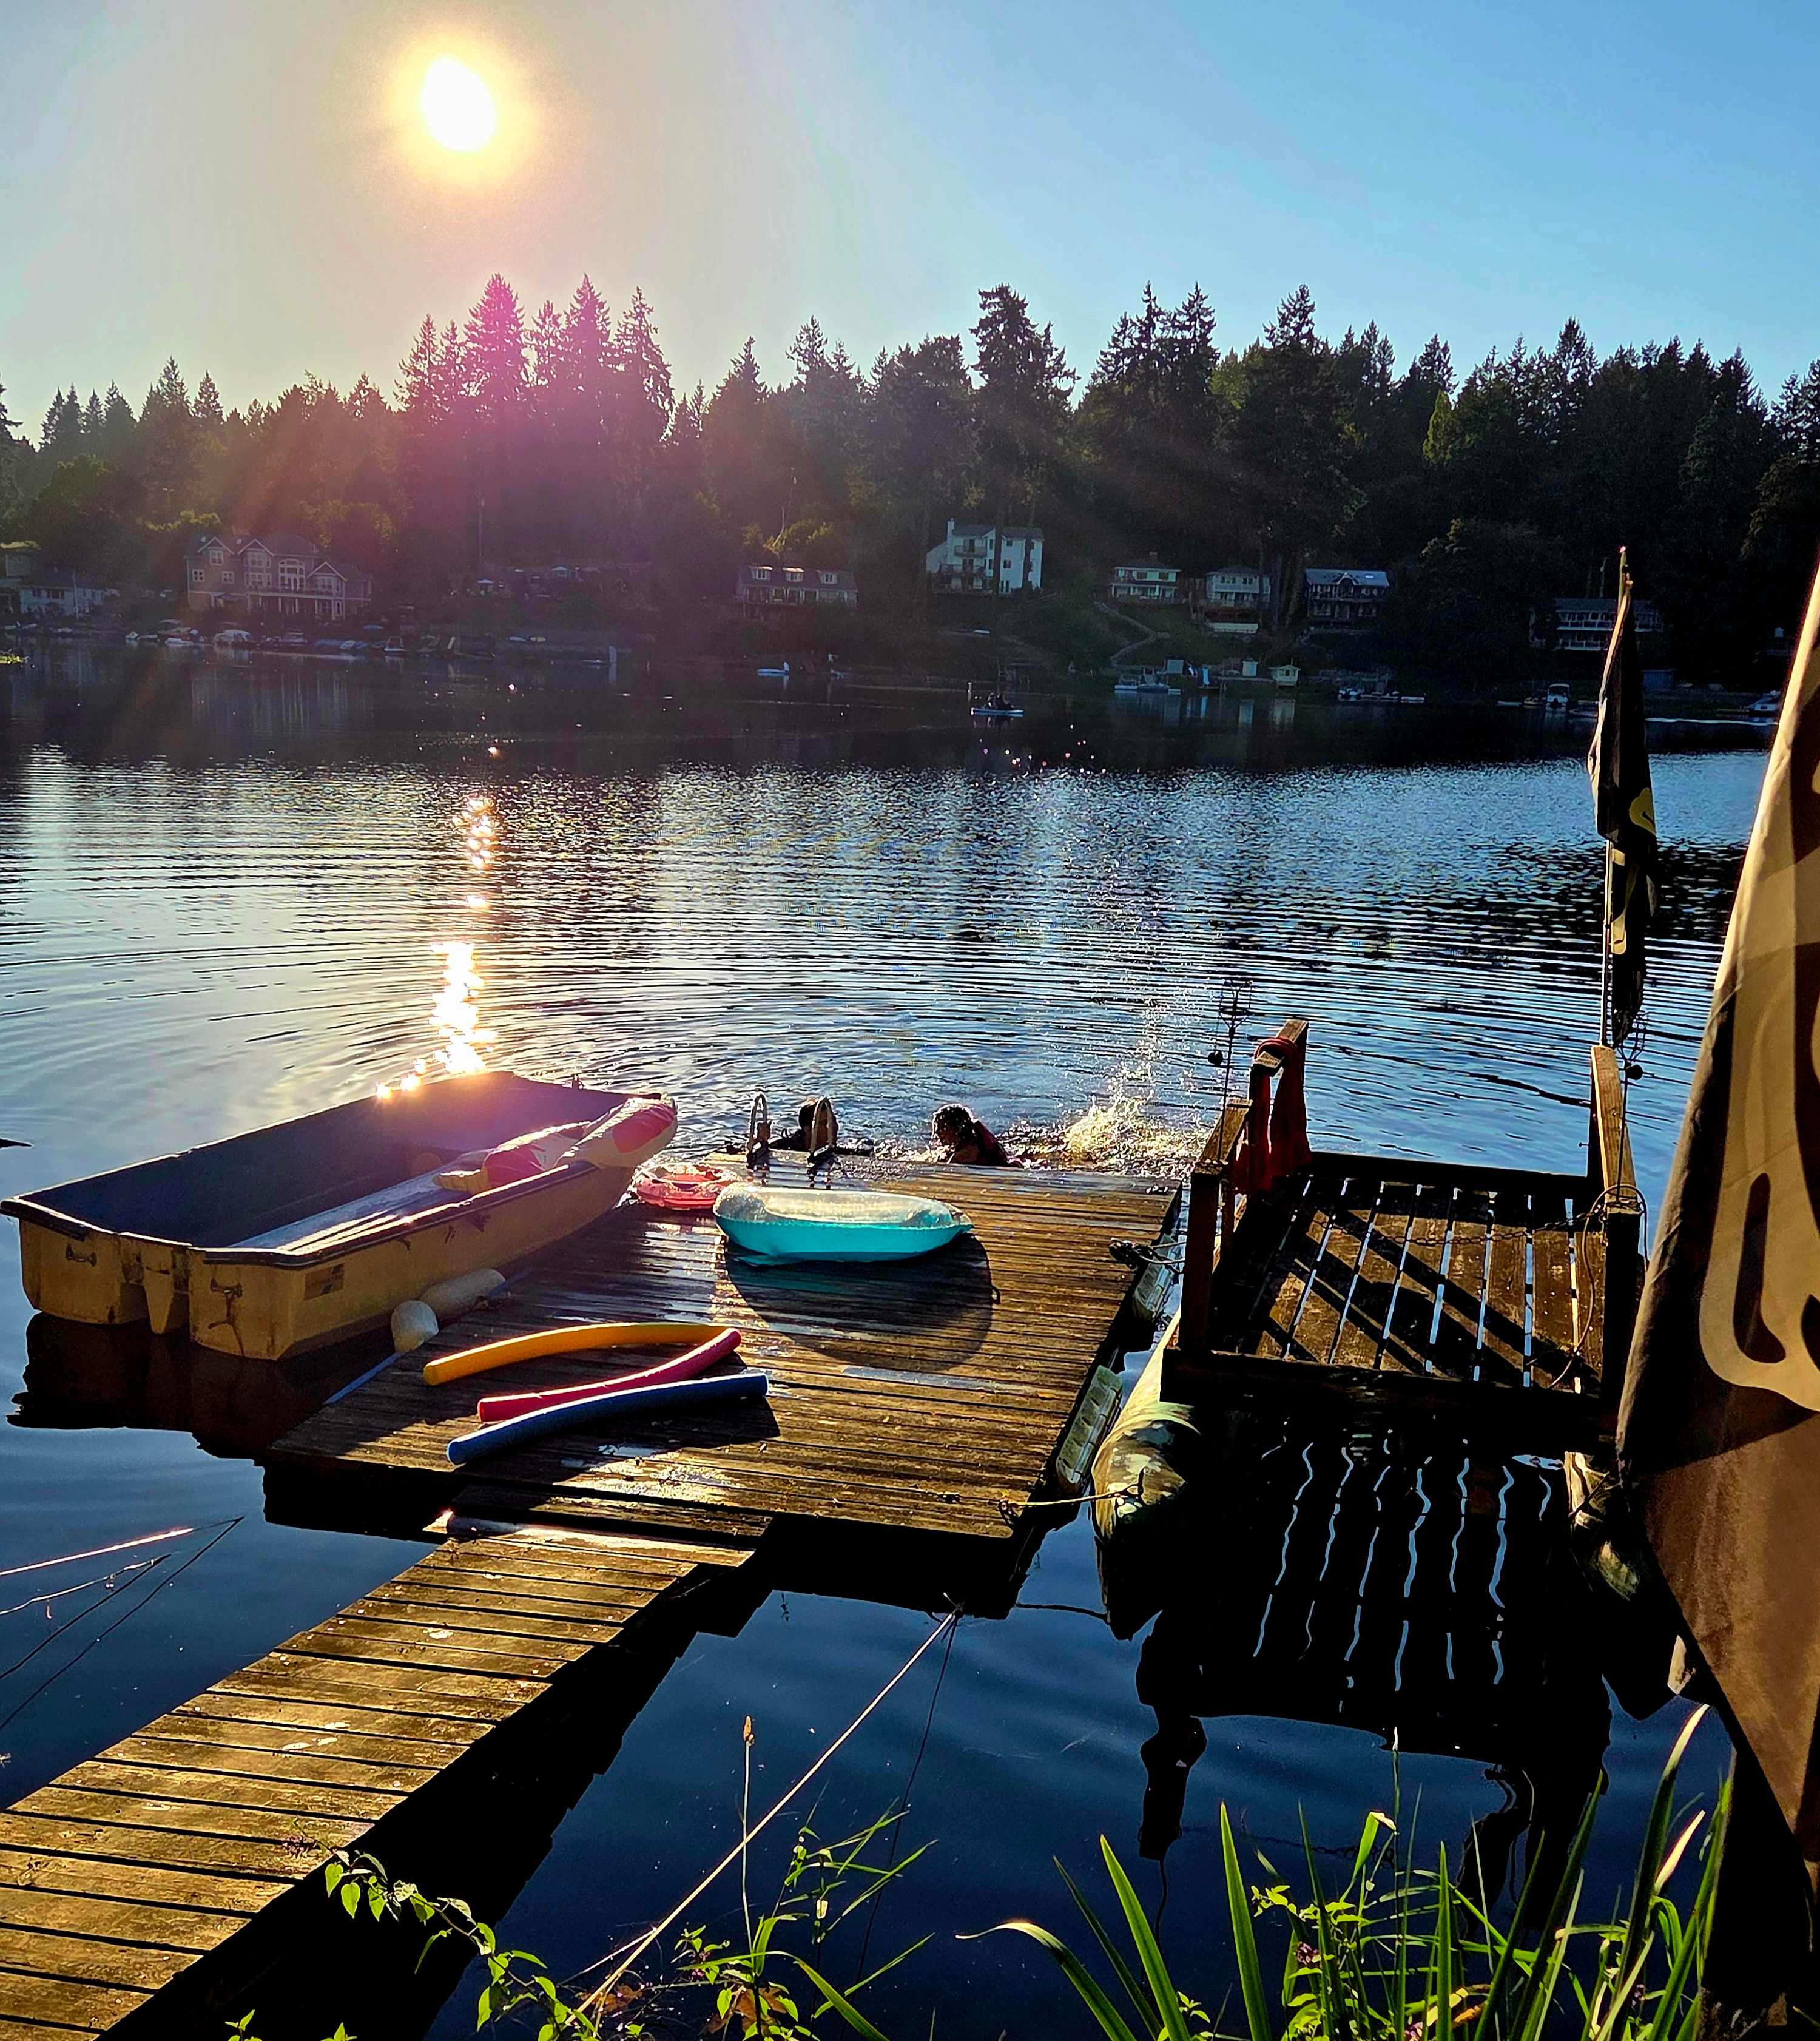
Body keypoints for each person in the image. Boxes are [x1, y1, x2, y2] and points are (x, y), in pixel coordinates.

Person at [932, 1103, 1010, 1166]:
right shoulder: (966, 1143)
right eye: (937, 1128)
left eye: (942, 1128)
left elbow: (946, 1170)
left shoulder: (966, 1153)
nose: (937, 1133)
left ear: (958, 1129)